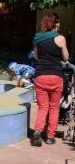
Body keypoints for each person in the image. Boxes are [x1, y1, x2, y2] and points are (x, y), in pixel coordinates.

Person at [31, 12, 69, 146]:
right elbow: (65, 57)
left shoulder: (38, 38)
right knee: (54, 107)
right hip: (56, 76)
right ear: (54, 24)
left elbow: (36, 57)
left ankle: (38, 130)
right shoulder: (60, 38)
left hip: (41, 75)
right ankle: (50, 137)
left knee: (42, 107)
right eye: (57, 23)